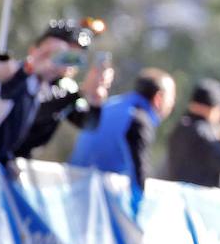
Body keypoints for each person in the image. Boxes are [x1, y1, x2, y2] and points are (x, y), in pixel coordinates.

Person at [0, 20, 101, 175]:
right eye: (48, 54)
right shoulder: (15, 72)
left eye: (73, 58)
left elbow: (88, 124)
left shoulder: (58, 87)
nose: (57, 62)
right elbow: (8, 82)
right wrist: (29, 67)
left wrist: (95, 98)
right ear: (33, 50)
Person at [69, 68, 176, 205]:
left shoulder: (111, 105)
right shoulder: (138, 119)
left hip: (73, 192)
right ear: (158, 98)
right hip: (96, 202)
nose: (172, 105)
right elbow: (138, 178)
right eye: (171, 98)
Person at [15, 18, 112, 158]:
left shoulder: (65, 88)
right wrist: (81, 92)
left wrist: (95, 97)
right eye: (65, 54)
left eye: (76, 58)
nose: (69, 63)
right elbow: (35, 112)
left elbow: (88, 124)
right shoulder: (17, 74)